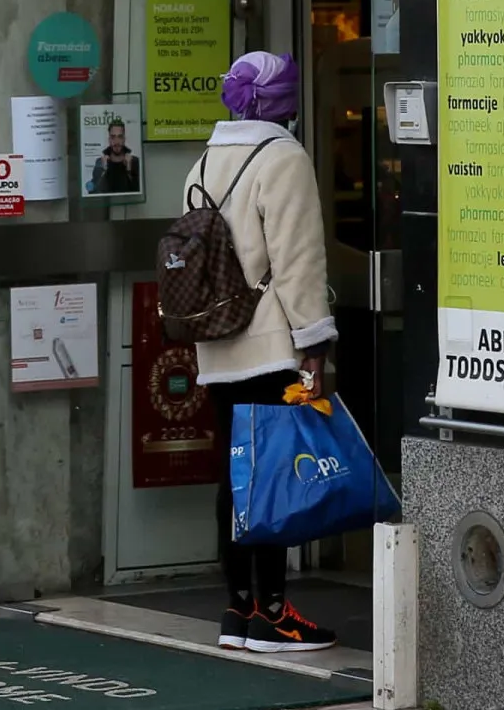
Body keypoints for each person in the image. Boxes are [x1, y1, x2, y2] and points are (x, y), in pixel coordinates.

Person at [184, 50, 339, 654]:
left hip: (219, 346)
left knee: (237, 478)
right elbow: (298, 262)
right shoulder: (282, 157)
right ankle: (274, 615)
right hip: (273, 344)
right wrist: (315, 345)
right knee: (272, 479)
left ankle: (237, 610)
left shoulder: (205, 158)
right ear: (282, 102)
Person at [90, 119, 140, 194]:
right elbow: (93, 193)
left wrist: (129, 171)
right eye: (113, 137)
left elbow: (137, 192)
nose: (116, 141)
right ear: (109, 139)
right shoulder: (100, 162)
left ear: (124, 139)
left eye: (120, 137)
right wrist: (103, 171)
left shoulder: (135, 161)